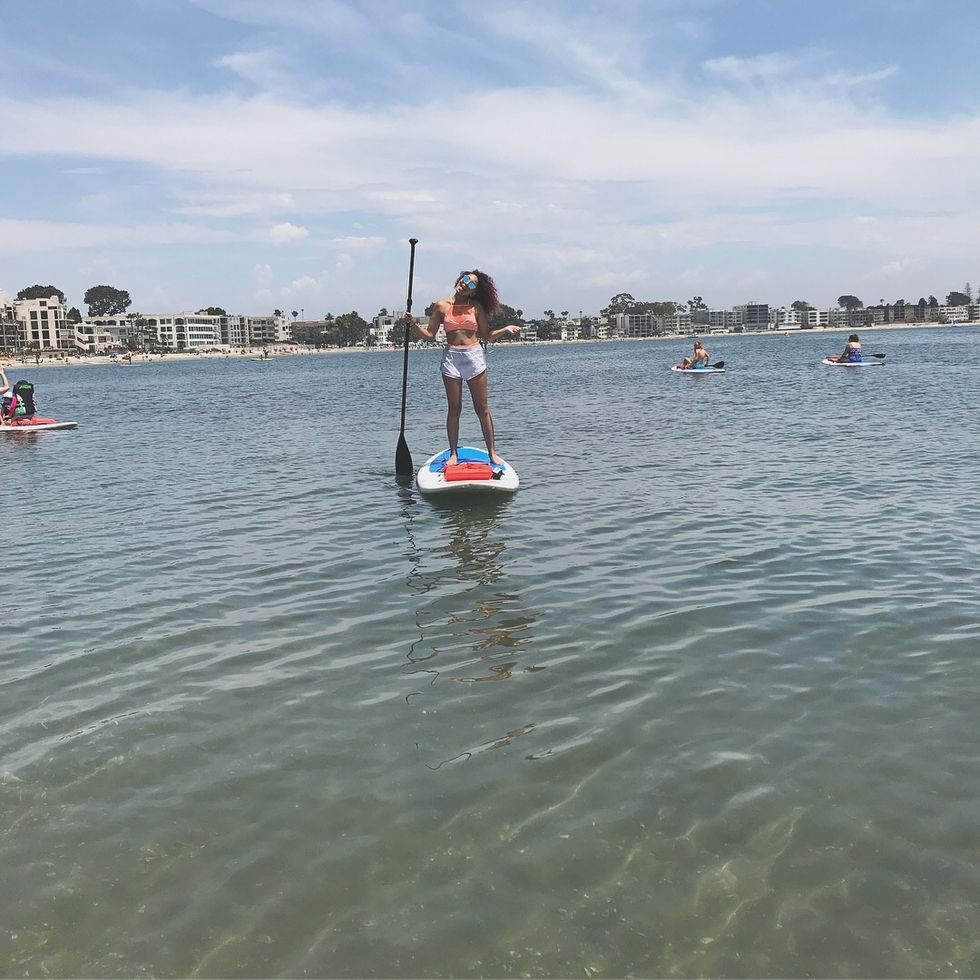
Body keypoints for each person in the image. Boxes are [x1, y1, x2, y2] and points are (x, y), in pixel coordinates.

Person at [409, 269, 520, 466]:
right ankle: (453, 453)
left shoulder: (476, 307)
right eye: (465, 279)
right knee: (454, 408)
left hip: (473, 357)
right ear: (459, 279)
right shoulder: (441, 306)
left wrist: (505, 329)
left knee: (482, 408)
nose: (465, 283)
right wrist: (413, 324)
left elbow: (487, 335)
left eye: (471, 284)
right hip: (451, 358)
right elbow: (430, 335)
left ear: (473, 291)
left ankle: (492, 453)